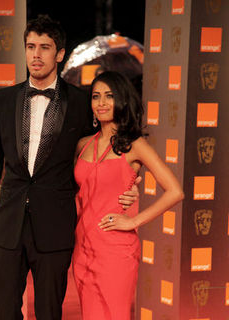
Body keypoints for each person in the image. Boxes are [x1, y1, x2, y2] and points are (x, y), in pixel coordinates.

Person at [0, 16, 138, 320]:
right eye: (30, 46)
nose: (36, 55)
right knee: (4, 312)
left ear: (59, 53)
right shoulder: (4, 99)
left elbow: (104, 149)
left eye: (44, 47)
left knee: (50, 312)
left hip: (55, 227)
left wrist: (131, 182)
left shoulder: (80, 102)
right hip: (8, 226)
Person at [72, 71, 184, 320]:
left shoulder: (135, 145)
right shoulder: (83, 145)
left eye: (109, 96)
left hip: (116, 251)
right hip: (82, 249)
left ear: (121, 100)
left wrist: (133, 221)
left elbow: (175, 191)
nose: (101, 103)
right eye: (96, 96)